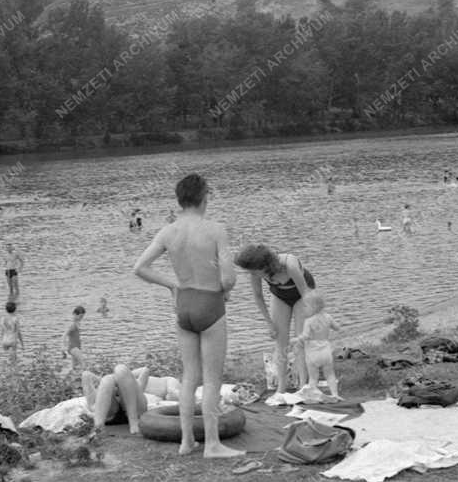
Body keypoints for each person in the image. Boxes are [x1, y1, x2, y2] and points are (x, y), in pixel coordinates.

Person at [134, 173, 243, 458]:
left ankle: (186, 441)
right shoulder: (215, 229)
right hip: (210, 303)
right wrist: (223, 290)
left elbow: (140, 267)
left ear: (180, 200)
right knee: (212, 378)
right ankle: (213, 445)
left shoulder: (168, 231)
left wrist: (172, 284)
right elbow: (229, 278)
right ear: (204, 196)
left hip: (184, 304)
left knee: (189, 376)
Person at [235, 244, 314, 395]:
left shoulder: (289, 264)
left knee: (300, 340)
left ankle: (303, 386)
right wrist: (269, 323)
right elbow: (258, 297)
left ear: (264, 265)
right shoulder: (255, 273)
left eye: (253, 270)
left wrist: (312, 317)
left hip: (303, 295)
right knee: (280, 341)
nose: (250, 273)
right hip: (280, 296)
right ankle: (281, 388)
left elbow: (305, 293)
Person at [81, 365, 180, 435]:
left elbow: (145, 370)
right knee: (108, 379)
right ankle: (98, 427)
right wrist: (105, 380)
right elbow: (85, 375)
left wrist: (119, 378)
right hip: (109, 415)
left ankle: (133, 421)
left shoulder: (132, 387)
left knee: (120, 369)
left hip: (135, 411)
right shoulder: (103, 395)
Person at [290, 294, 341, 398]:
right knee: (330, 375)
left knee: (313, 377)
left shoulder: (309, 321)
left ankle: (312, 395)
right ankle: (335, 394)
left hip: (313, 353)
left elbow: (306, 336)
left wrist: (295, 340)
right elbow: (337, 327)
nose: (304, 309)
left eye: (305, 306)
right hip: (326, 352)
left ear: (313, 307)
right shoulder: (328, 317)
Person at [63, 306, 86, 372]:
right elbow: (64, 335)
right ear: (75, 314)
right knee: (83, 365)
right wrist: (63, 347)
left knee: (74, 367)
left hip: (75, 348)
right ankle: (84, 379)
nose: (81, 318)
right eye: (80, 316)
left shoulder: (77, 323)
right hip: (73, 348)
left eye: (82, 317)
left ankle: (68, 378)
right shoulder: (73, 325)